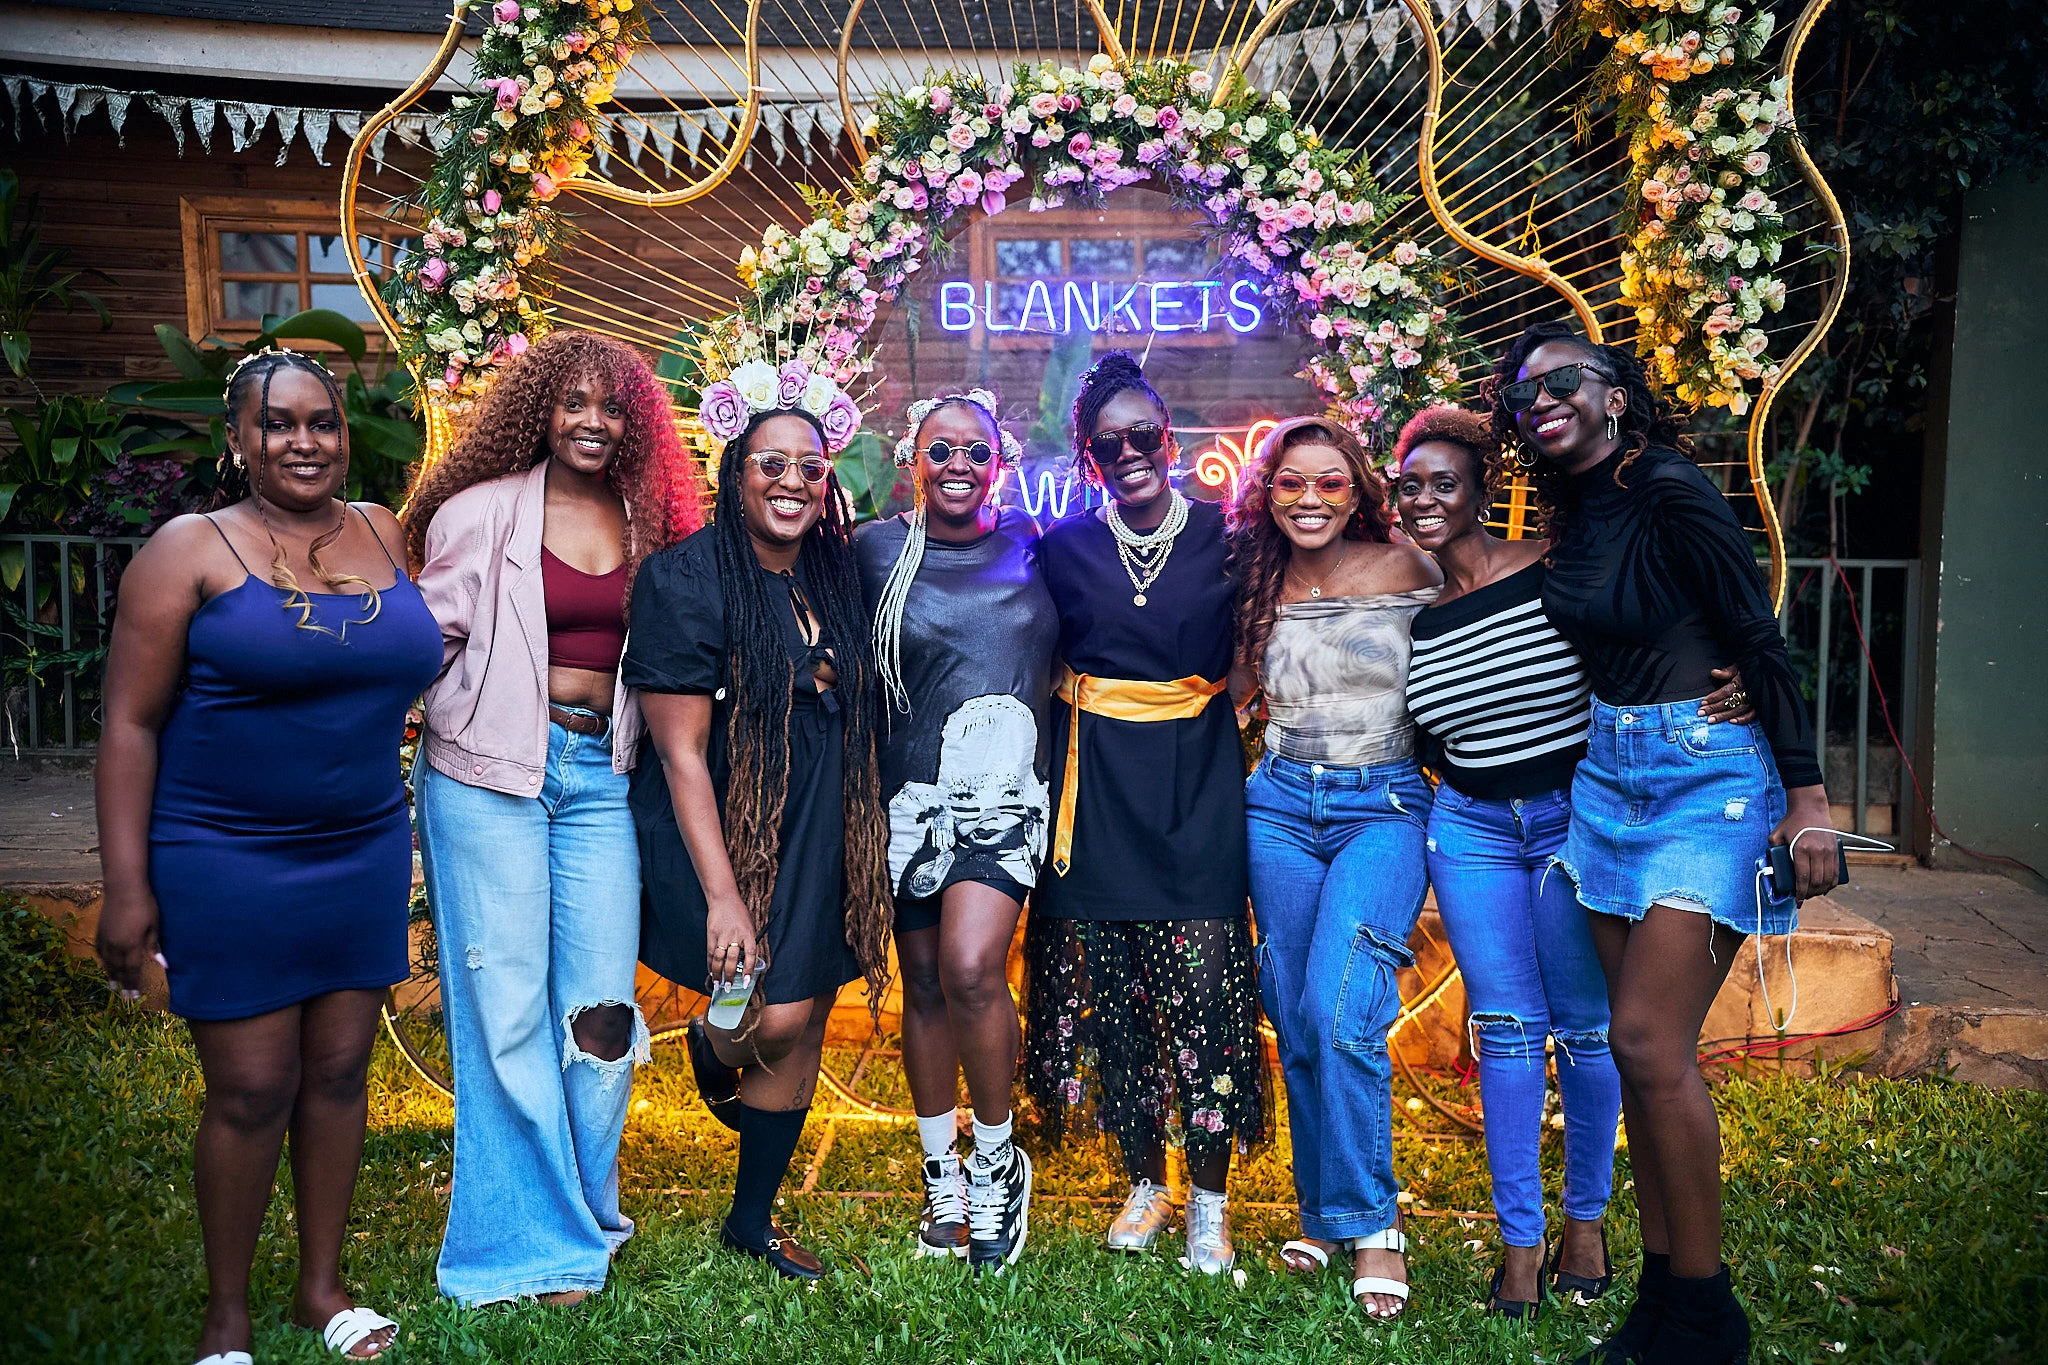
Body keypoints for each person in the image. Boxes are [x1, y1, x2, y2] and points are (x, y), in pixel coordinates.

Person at [1486, 322, 1840, 1363]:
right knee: (1641, 1062)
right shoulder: (1571, 506)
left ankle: (1707, 1313)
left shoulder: (1671, 487)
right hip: (1606, 779)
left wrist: (1807, 799)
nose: (1537, 400)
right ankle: (1658, 1301)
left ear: (1615, 396)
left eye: (1560, 382)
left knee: (1644, 1041)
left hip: (1704, 778)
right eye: (1521, 394)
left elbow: (1755, 638)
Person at [96, 349, 441, 1363]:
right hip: (225, 851)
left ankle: (321, 1290)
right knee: (250, 1087)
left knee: (338, 1073)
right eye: (278, 424)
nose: (304, 441)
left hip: (361, 844)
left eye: (322, 423)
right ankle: (226, 1320)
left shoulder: (381, 531)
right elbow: (127, 724)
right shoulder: (188, 550)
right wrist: (126, 889)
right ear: (237, 438)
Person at [402, 329, 702, 1306]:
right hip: (488, 773)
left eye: (611, 407)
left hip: (599, 778)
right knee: (505, 1010)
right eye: (572, 401)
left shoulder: (646, 518)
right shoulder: (481, 512)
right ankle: (520, 1246)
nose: (591, 420)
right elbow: (423, 641)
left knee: (601, 1015)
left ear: (633, 423)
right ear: (540, 408)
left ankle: (581, 1209)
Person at [626, 359, 893, 1281]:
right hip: (730, 819)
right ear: (734, 469)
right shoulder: (685, 580)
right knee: (771, 1017)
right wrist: (724, 898)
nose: (791, 481)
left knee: (807, 1008)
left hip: (824, 813)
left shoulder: (834, 567)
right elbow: (682, 753)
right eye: (769, 464)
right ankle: (712, 1042)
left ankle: (752, 1217)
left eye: (810, 468)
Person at [1023, 352, 1265, 1275]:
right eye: (1107, 441)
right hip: (1095, 791)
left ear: (1170, 438)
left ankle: (1210, 1201)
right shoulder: (1063, 547)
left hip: (1194, 782)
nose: (1129, 451)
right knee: (1113, 995)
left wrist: (1228, 705)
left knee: (1205, 991)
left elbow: (1267, 635)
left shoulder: (1227, 538)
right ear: (1088, 457)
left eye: (1143, 434)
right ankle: (1146, 1181)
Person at [1226, 414, 1442, 1318]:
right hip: (1275, 804)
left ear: (1359, 490)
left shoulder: (1409, 568)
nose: (1309, 499)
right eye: (1291, 483)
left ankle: (1375, 1225)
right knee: (1293, 1006)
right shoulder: (1258, 576)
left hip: (1382, 802)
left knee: (1340, 1004)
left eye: (1329, 483)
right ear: (1266, 490)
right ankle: (1323, 1213)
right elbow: (1228, 691)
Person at [856, 389, 1055, 1272]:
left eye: (976, 452)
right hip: (910, 797)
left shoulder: (1035, 551)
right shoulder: (873, 552)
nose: (959, 468)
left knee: (974, 966)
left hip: (1007, 792)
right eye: (942, 452)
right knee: (926, 984)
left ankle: (998, 1163)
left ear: (998, 463)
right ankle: (942, 1170)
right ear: (914, 461)